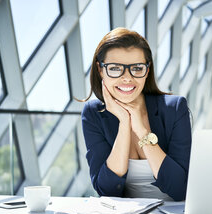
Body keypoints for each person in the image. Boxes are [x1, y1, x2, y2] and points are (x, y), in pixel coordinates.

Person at [80, 27, 192, 201]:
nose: (127, 78)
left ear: (147, 70)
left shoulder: (174, 108)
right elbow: (106, 190)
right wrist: (124, 123)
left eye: (137, 68)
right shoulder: (93, 114)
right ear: (100, 69)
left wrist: (142, 131)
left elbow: (180, 189)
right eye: (115, 68)